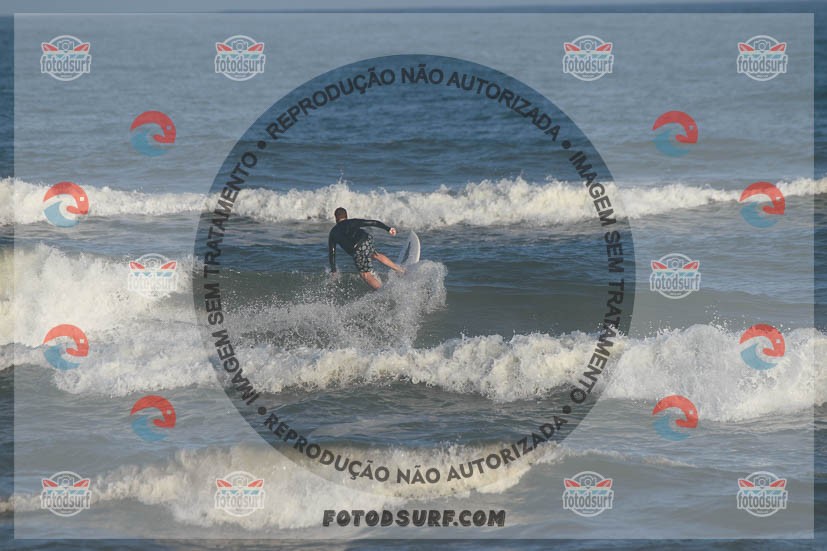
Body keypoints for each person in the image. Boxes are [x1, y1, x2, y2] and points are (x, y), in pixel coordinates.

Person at [328, 207, 405, 290]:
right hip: (366, 239)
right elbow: (373, 222)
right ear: (346, 216)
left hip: (357, 249)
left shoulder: (333, 232)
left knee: (365, 274)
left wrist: (333, 270)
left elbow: (332, 252)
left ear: (336, 218)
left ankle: (383, 291)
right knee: (375, 254)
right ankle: (400, 270)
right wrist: (388, 229)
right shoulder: (352, 222)